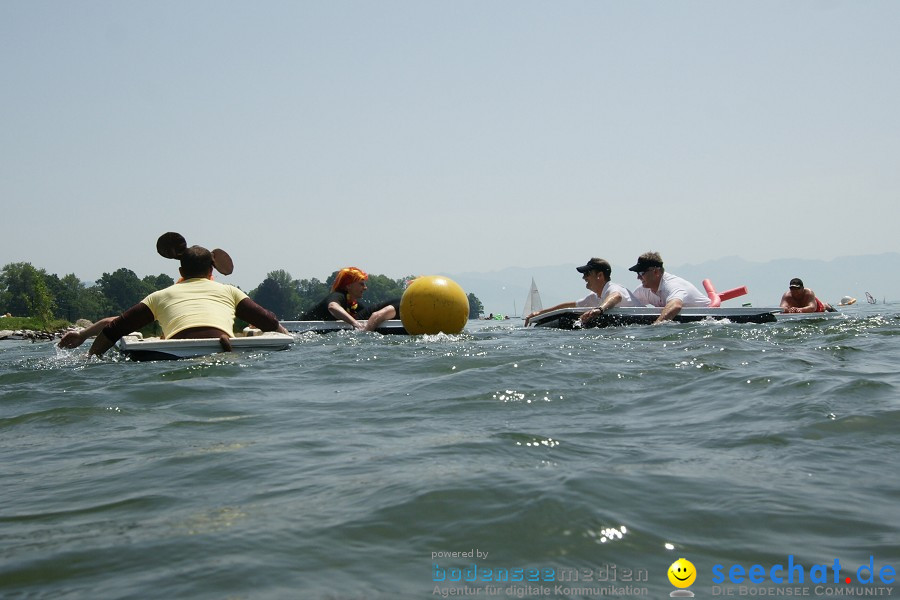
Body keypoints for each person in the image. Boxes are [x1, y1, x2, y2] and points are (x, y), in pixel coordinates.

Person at [58, 232, 288, 356]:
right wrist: (288, 337)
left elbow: (114, 328)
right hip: (223, 346)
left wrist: (89, 358)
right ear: (212, 271)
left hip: (173, 352)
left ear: (180, 271)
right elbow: (270, 322)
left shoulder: (160, 296)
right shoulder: (230, 292)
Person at [524, 258, 639, 326]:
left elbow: (616, 296)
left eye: (587, 274)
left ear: (600, 276)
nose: (584, 278)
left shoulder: (612, 288)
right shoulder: (594, 296)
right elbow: (571, 305)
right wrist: (540, 313)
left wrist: (599, 309)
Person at [299, 266, 400, 331]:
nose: (365, 288)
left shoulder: (355, 305)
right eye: (361, 284)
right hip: (299, 330)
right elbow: (332, 307)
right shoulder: (338, 295)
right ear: (348, 286)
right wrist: (355, 324)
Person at [628, 252, 710, 324]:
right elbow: (629, 304)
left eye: (642, 273)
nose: (638, 277)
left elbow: (676, 306)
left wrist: (654, 328)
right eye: (638, 273)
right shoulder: (643, 290)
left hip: (710, 320)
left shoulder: (671, 285)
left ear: (656, 272)